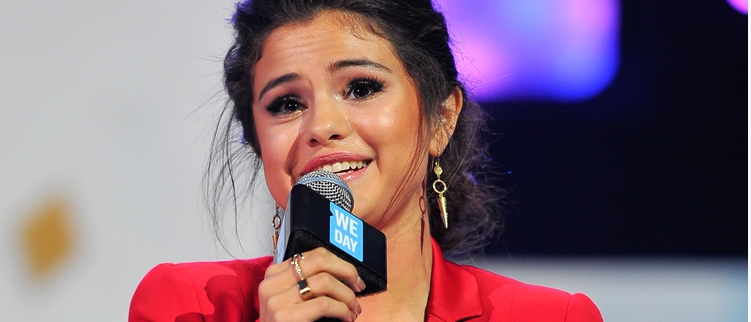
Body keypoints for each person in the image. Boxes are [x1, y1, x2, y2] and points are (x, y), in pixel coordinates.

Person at [129, 0, 604, 321]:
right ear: (257, 142)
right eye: (286, 104)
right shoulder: (188, 306)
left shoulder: (549, 317)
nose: (320, 125)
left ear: (441, 118)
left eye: (361, 88)